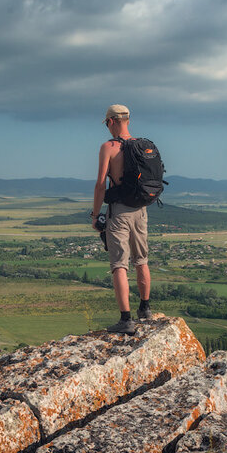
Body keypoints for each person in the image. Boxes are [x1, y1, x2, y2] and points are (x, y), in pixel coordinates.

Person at [90, 104, 152, 335]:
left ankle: (126, 320)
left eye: (107, 123)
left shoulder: (109, 147)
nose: (107, 127)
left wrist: (96, 216)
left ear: (112, 121)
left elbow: (100, 184)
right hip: (141, 210)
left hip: (119, 212)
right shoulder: (143, 146)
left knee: (119, 264)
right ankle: (145, 309)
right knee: (142, 260)